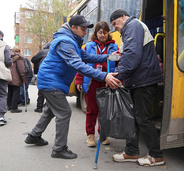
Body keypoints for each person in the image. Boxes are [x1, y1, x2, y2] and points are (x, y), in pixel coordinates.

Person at [24, 15, 120, 159]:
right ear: (73, 28)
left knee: (50, 111)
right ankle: (59, 148)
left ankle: (34, 135)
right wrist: (103, 76)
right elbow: (77, 64)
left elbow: (88, 57)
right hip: (51, 82)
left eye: (86, 29)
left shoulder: (73, 41)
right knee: (64, 113)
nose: (85, 32)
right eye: (82, 29)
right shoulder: (66, 41)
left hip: (53, 81)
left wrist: (108, 57)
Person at [109, 9, 165, 166]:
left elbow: (132, 55)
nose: (115, 28)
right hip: (138, 80)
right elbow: (130, 53)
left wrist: (118, 76)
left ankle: (157, 155)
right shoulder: (131, 28)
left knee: (142, 118)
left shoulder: (132, 25)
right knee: (133, 118)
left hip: (143, 80)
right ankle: (131, 151)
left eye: (115, 23)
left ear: (122, 17)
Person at [75, 21, 118, 147]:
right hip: (92, 82)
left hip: (107, 82)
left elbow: (119, 65)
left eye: (105, 33)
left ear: (108, 34)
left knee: (105, 111)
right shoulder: (88, 47)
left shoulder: (114, 48)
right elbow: (81, 64)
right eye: (100, 32)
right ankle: (90, 135)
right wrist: (79, 79)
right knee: (92, 110)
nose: (102, 35)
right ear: (96, 33)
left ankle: (103, 134)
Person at [31, 42, 51, 113]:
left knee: (41, 90)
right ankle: (49, 107)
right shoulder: (56, 52)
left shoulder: (43, 52)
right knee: (51, 90)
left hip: (43, 73)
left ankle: (39, 107)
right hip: (53, 74)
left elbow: (33, 59)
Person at [7, 47, 27, 113]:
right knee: (16, 92)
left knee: (10, 91)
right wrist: (24, 78)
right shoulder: (19, 58)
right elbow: (21, 70)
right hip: (16, 78)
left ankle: (9, 106)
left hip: (9, 77)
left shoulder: (8, 56)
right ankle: (14, 108)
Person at [0, 30, 12, 126]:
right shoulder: (4, 46)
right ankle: (1, 117)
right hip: (1, 73)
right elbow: (8, 61)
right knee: (2, 94)